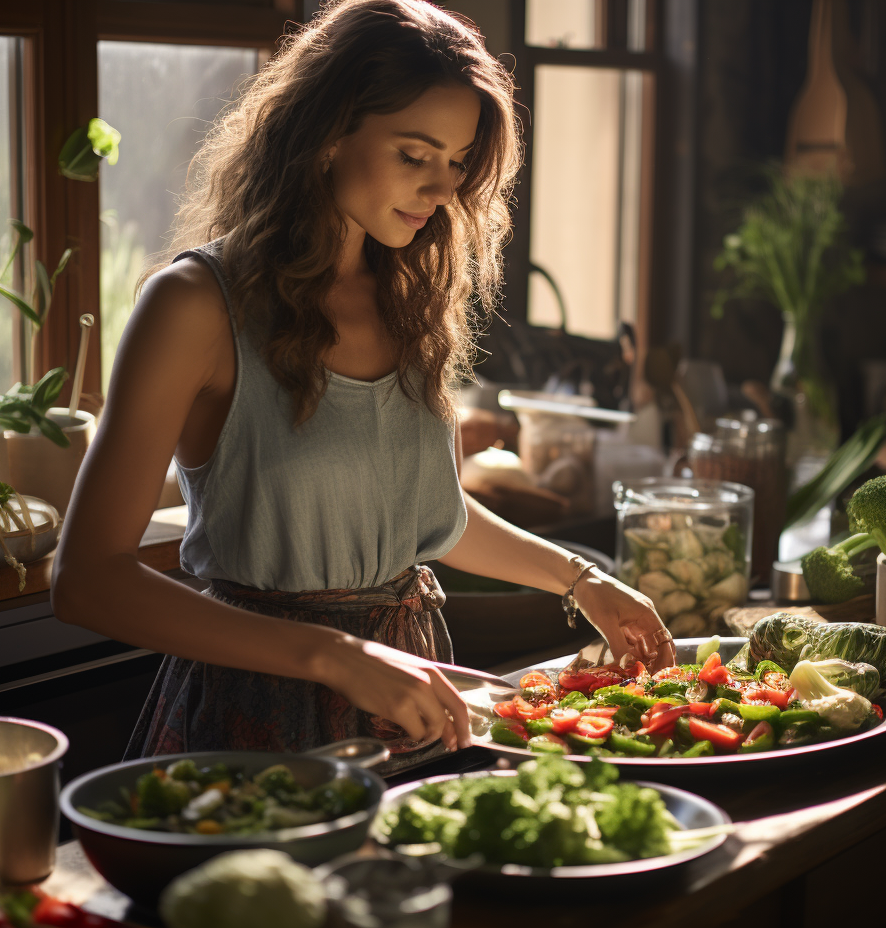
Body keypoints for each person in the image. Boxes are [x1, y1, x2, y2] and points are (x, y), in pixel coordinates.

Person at [51, 0, 674, 769]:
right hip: (258, 722)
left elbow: (429, 514)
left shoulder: (412, 300)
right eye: (415, 155)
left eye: (457, 162)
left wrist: (580, 580)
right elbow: (85, 579)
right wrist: (335, 656)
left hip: (417, 715)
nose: (441, 188)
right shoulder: (195, 305)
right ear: (326, 134)